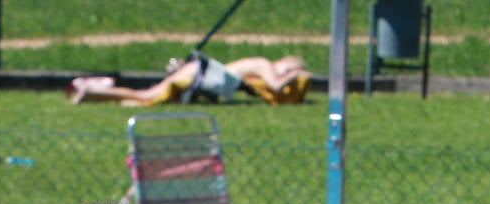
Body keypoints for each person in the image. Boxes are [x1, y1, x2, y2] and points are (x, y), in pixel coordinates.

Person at [67, 54, 312, 106]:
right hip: (198, 75)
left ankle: (98, 89)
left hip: (199, 74)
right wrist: (296, 76)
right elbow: (276, 85)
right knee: (146, 97)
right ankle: (89, 86)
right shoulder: (264, 63)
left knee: (143, 99)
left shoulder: (259, 68)